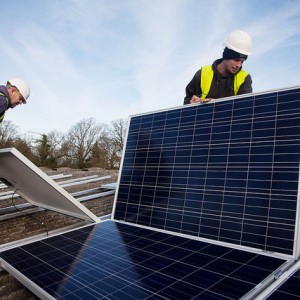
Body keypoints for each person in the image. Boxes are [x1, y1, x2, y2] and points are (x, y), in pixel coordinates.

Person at [184, 30, 252, 105]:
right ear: (227, 55)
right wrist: (191, 103)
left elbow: (245, 106)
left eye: (242, 61)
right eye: (236, 60)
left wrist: (216, 105)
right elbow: (188, 100)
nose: (239, 65)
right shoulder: (203, 73)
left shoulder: (244, 78)